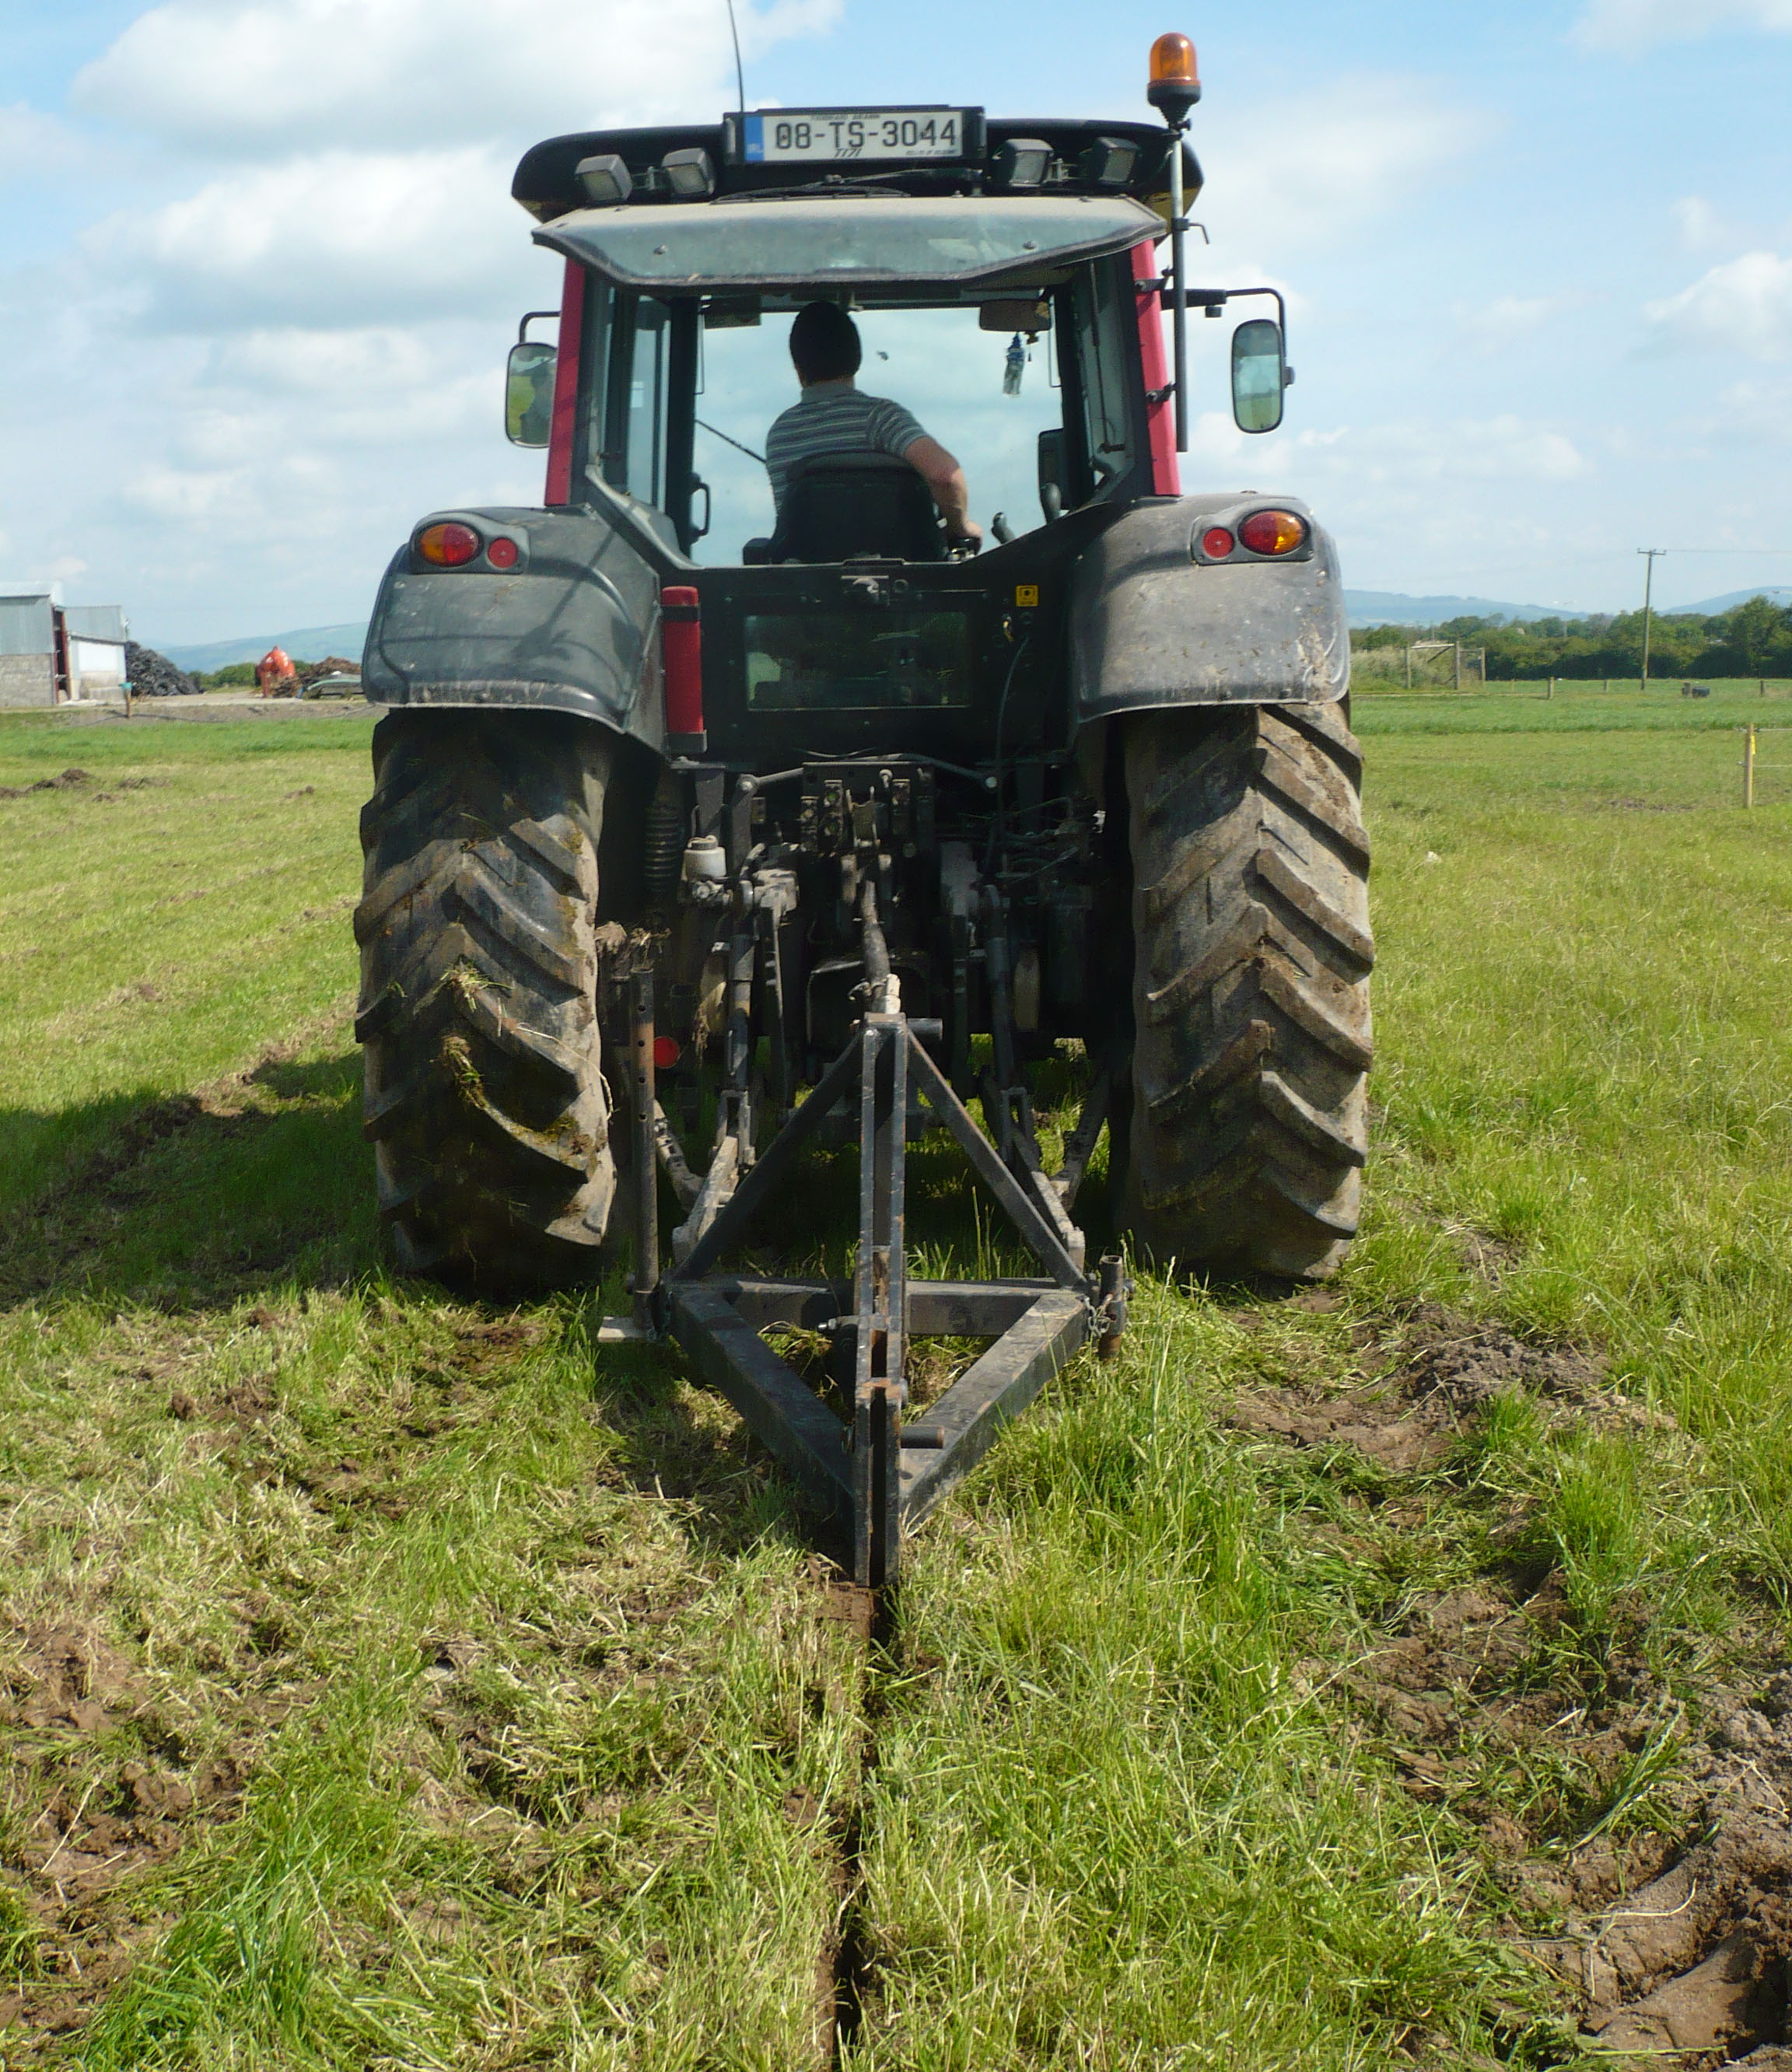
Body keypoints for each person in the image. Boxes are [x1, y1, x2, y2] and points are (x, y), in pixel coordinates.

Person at [765, 302, 981, 544]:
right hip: (908, 575)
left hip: (806, 579)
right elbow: (944, 475)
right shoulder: (880, 417)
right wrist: (960, 527)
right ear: (856, 359)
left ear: (797, 366)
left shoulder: (781, 432)